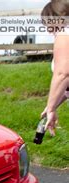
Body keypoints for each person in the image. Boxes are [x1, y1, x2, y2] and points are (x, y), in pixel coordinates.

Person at [41, 0, 69, 136]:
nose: (47, 29)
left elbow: (63, 74)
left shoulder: (65, 34)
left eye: (47, 23)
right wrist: (53, 104)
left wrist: (51, 108)